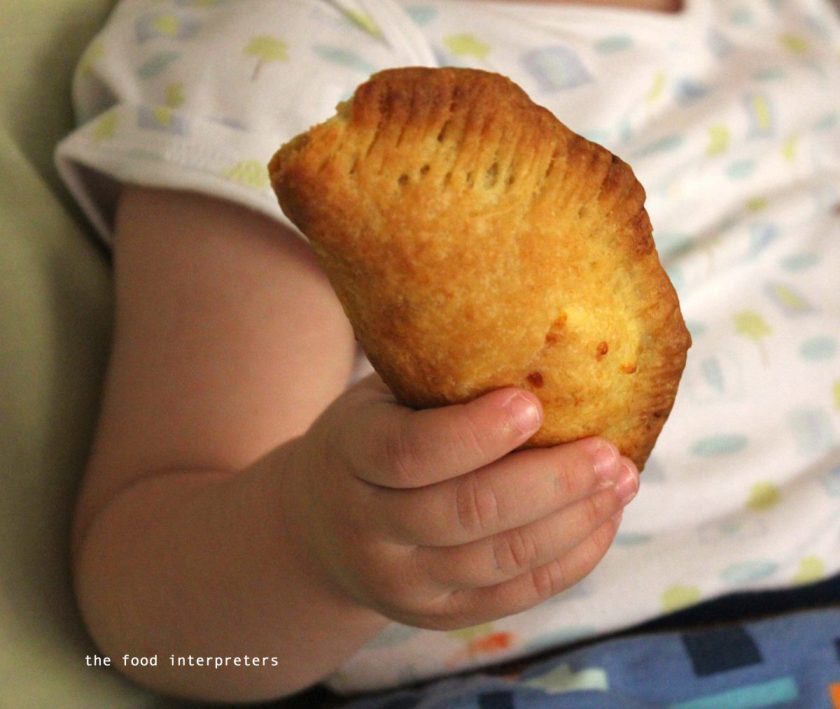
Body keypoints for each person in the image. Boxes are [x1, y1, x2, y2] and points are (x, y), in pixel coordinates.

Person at [55, 0, 840, 703]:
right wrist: (315, 541)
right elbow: (142, 600)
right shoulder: (283, 45)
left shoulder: (796, 28)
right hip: (557, 673)